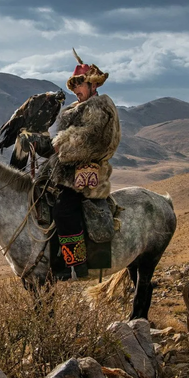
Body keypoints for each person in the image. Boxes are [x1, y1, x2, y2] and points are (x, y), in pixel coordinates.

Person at [23, 51, 121, 278]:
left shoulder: (99, 108)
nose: (76, 91)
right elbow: (66, 139)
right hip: (67, 167)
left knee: (64, 209)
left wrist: (58, 147)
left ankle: (77, 266)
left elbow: (88, 138)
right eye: (74, 87)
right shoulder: (80, 107)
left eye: (80, 85)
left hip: (88, 171)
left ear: (92, 85)